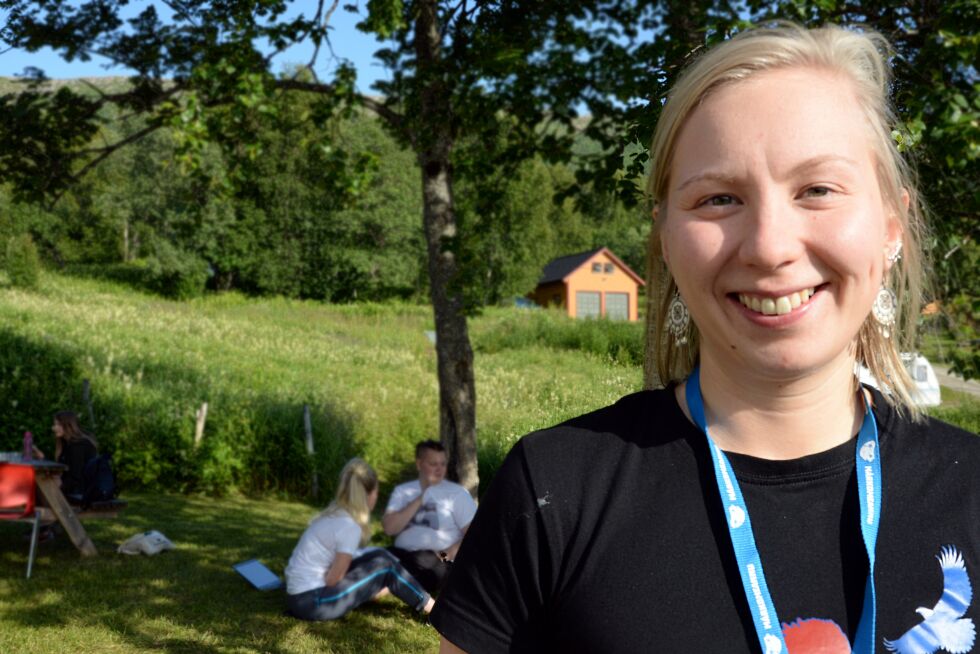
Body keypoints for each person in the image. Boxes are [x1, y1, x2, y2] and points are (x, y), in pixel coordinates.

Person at [431, 23, 980, 654]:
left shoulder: (970, 491)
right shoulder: (553, 491)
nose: (770, 246)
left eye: (818, 190)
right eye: (719, 198)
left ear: (891, 227)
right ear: (666, 239)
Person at [284, 457, 434, 621]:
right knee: (386, 567)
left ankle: (409, 592)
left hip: (299, 598)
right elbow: (333, 579)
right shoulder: (349, 526)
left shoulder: (335, 514)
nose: (376, 496)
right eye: (376, 491)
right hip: (313, 603)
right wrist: (368, 587)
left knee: (381, 555)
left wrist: (369, 583)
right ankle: (433, 609)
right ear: (369, 495)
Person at [382, 440, 477, 595]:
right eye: (433, 464)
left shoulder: (457, 494)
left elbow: (474, 535)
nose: (439, 469)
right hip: (401, 553)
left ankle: (382, 586)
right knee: (377, 557)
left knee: (425, 567)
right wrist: (422, 495)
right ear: (419, 464)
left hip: (436, 560)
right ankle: (386, 583)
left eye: (443, 464)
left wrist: (443, 555)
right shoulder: (403, 491)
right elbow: (389, 529)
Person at [32, 411, 98, 504]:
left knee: (37, 494)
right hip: (75, 489)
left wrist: (60, 487)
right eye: (54, 425)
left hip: (81, 492)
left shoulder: (78, 446)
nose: (54, 428)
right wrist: (42, 457)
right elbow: (64, 469)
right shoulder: (67, 444)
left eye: (57, 425)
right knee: (35, 489)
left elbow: (76, 477)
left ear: (68, 425)